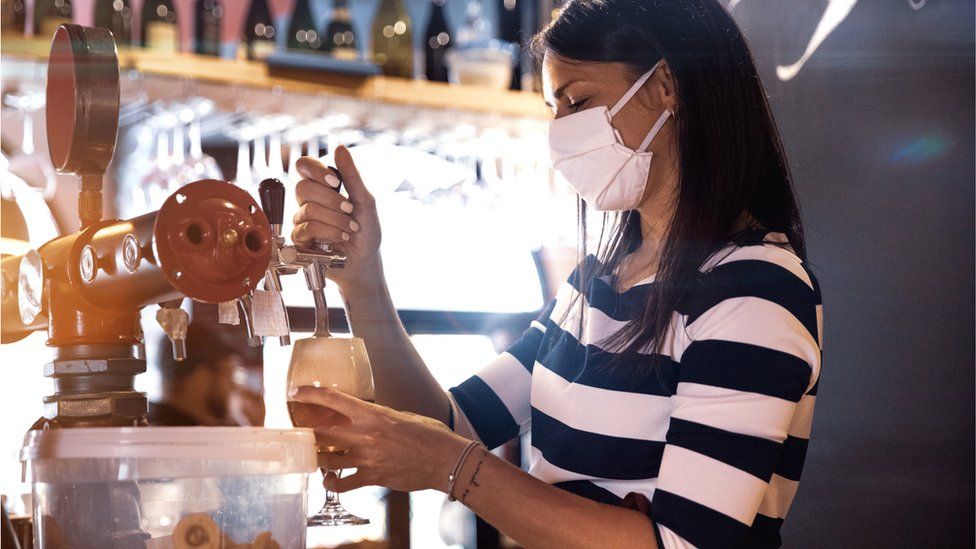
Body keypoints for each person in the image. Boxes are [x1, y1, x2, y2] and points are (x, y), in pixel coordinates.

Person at [287, 0, 823, 547]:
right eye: (554, 111)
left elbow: (684, 542)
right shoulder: (596, 284)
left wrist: (454, 468)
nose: (562, 135)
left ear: (667, 86)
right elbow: (449, 423)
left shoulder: (756, 289)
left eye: (579, 102)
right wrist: (362, 280)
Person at [149, 320, 265, 427]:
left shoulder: (152, 425)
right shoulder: (182, 438)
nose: (234, 387)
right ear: (200, 375)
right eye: (229, 375)